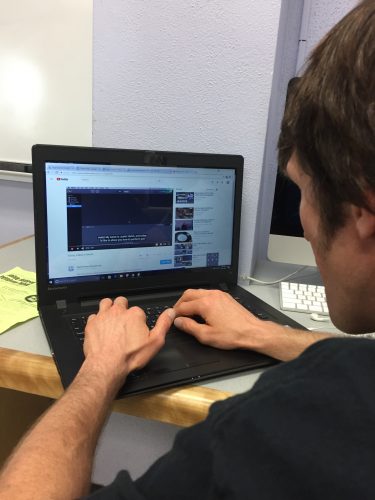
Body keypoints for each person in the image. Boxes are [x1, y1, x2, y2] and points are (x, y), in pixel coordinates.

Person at [0, 1, 374, 498]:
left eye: (300, 190)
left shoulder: (283, 427)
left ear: (361, 212)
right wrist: (272, 336)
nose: (304, 225)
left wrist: (100, 368)